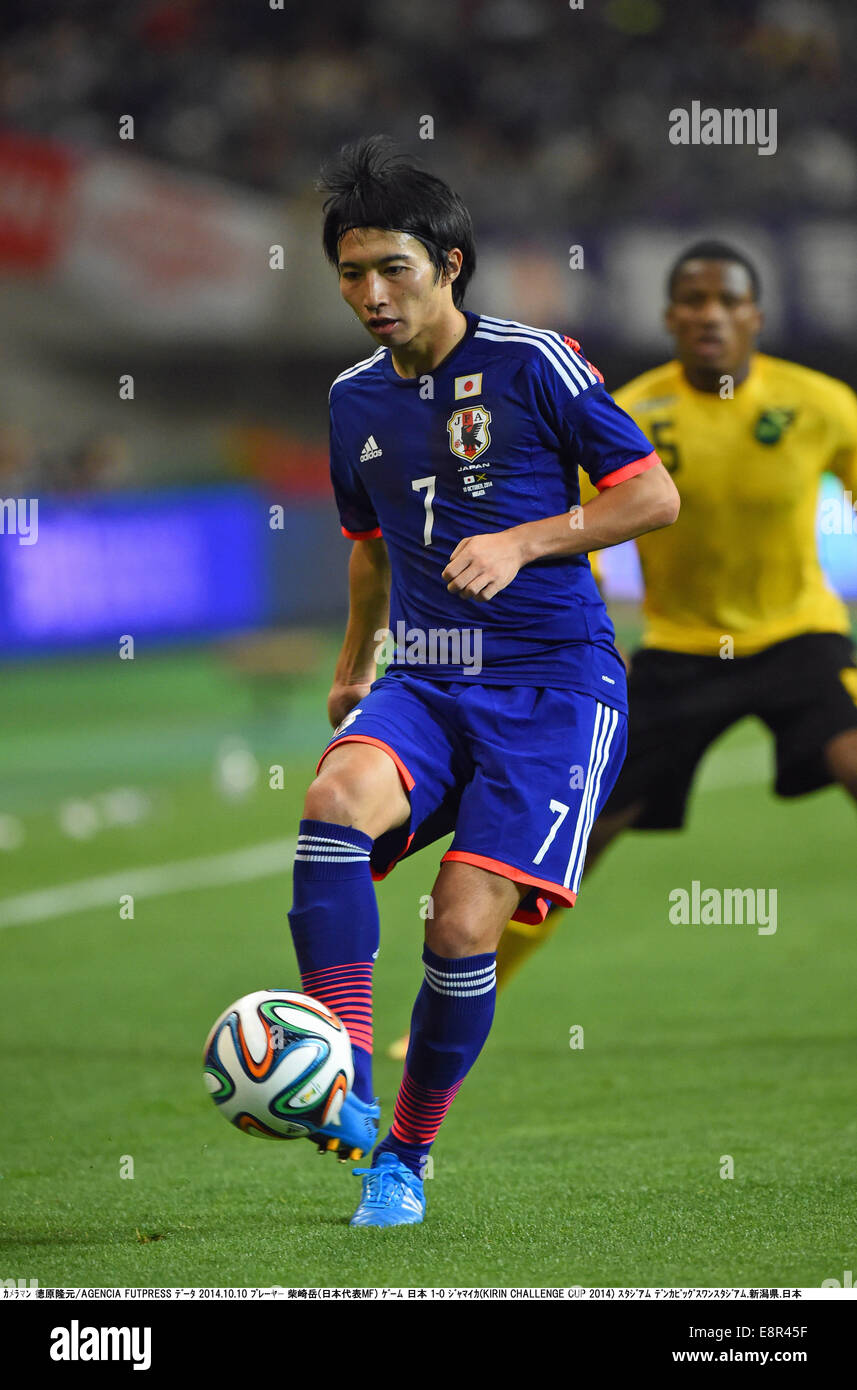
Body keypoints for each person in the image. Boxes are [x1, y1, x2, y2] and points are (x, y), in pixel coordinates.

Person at [287, 135, 679, 1228]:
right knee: (331, 806)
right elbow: (367, 543)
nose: (371, 295)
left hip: (553, 683)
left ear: (448, 264)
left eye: (392, 269)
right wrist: (353, 660)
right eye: (351, 275)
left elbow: (649, 497)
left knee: (461, 925)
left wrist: (526, 540)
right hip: (423, 674)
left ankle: (403, 1157)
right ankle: (346, 1084)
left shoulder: (533, 361)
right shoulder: (351, 400)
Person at [409, 238, 857, 1012]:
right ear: (668, 316)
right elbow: (572, 522)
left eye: (725, 301)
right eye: (691, 300)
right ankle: (453, 1010)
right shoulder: (629, 410)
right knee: (580, 835)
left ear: (754, 315)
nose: (707, 314)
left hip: (799, 639)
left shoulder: (820, 403)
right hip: (678, 653)